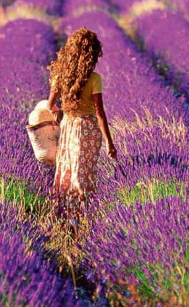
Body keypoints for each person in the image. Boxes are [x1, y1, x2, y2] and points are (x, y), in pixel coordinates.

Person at [47, 27, 117, 229]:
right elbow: (100, 113)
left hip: (68, 127)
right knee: (83, 173)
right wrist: (109, 143)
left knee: (67, 171)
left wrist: (59, 113)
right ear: (93, 54)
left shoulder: (60, 75)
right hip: (87, 130)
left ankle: (66, 219)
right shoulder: (94, 79)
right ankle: (80, 222)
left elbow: (50, 103)